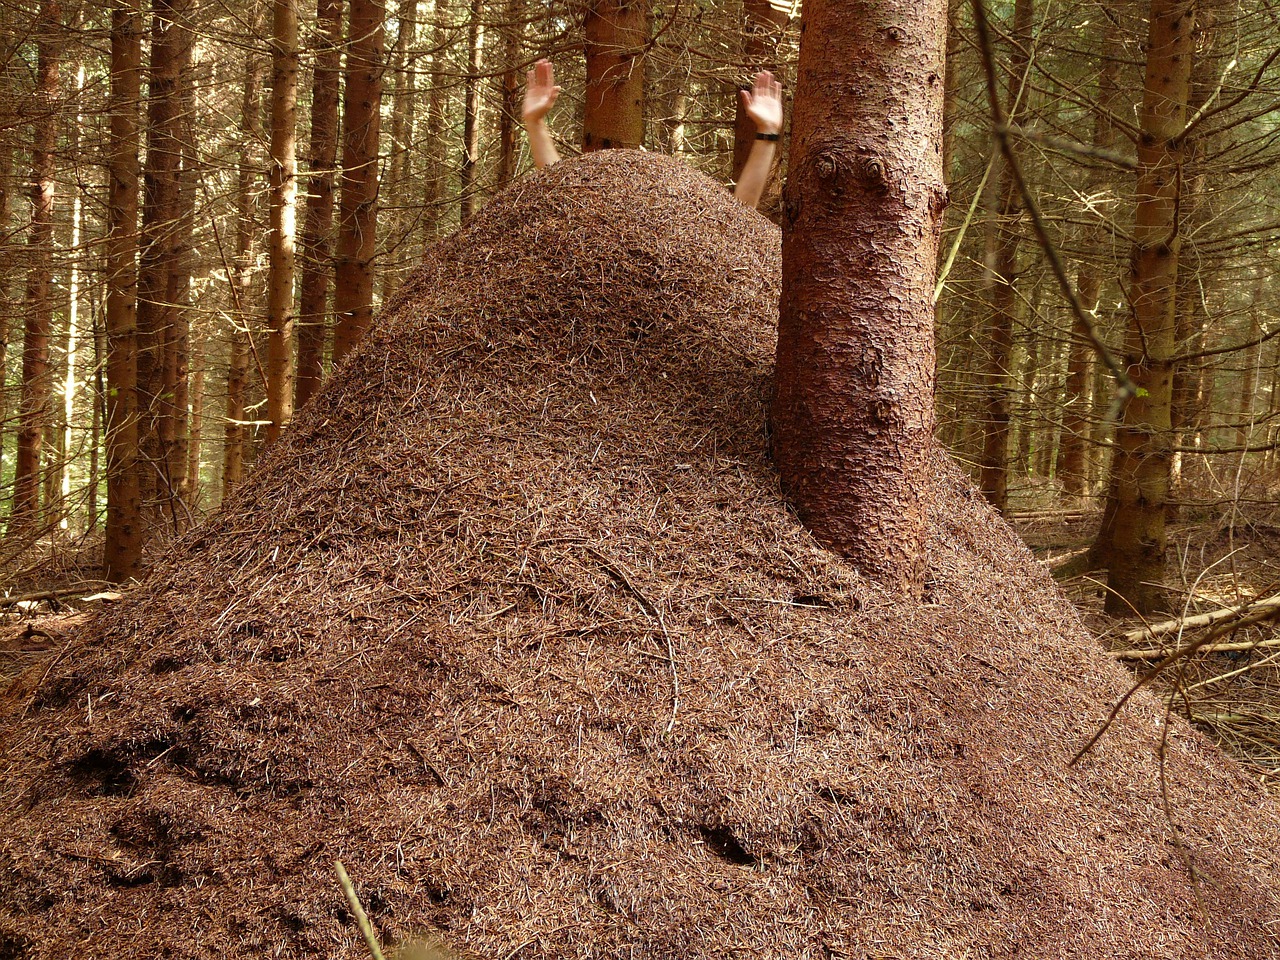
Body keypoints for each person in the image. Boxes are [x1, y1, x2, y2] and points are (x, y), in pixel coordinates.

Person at [520, 59, 784, 211]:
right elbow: (562, 194)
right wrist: (534, 122)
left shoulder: (681, 230)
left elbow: (737, 221)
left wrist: (768, 132)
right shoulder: (588, 234)